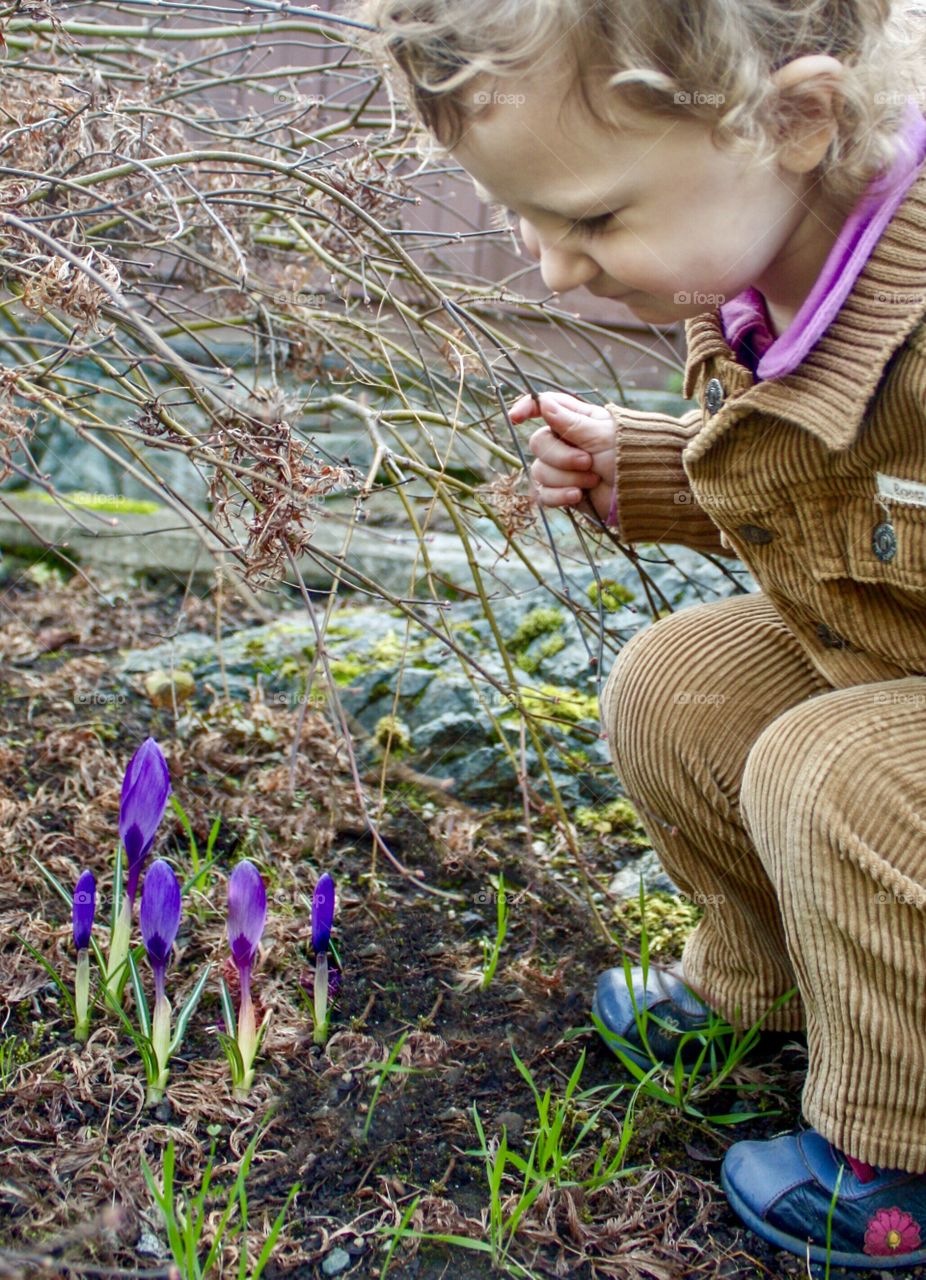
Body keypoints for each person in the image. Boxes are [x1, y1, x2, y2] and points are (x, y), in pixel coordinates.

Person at [356, 0, 926, 1268]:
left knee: (832, 773)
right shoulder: (761, 255)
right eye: (529, 218)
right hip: (895, 661)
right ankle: (767, 987)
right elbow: (847, 495)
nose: (554, 269)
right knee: (674, 684)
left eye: (593, 219)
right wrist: (653, 471)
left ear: (796, 118)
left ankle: (898, 1150)